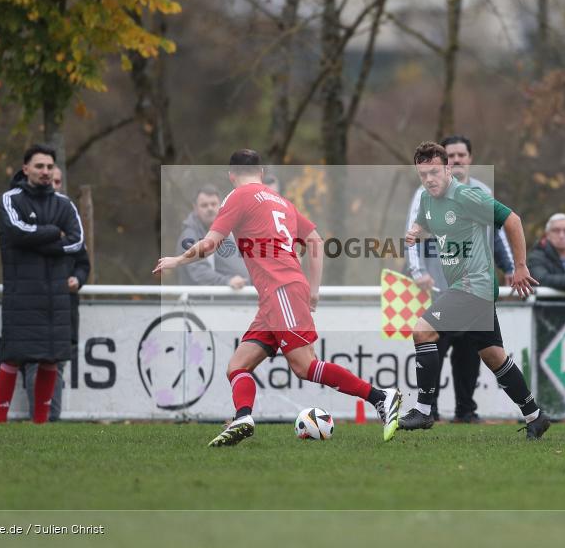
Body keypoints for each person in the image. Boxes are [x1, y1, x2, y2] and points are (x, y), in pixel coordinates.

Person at [154, 149, 402, 446]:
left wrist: (176, 260)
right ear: (261, 172)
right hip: (279, 294)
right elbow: (315, 241)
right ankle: (243, 417)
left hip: (280, 290)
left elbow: (209, 245)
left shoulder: (238, 196)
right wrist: (313, 289)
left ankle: (380, 397)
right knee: (238, 365)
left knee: (304, 366)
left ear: (231, 175)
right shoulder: (282, 202)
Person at [401, 141, 551, 439]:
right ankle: (535, 415)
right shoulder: (428, 199)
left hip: (474, 285)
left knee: (422, 331)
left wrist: (519, 266)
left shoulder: (468, 195)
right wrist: (415, 232)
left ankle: (423, 410)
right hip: (466, 287)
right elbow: (423, 220)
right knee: (494, 355)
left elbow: (512, 220)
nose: (429, 179)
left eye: (434, 172)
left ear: (447, 169)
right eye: (422, 174)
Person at [404, 134, 514, 423]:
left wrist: (512, 268)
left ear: (469, 159)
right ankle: (431, 410)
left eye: (460, 155)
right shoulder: (426, 192)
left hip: (474, 287)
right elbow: (412, 234)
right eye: (450, 155)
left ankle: (466, 410)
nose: (455, 159)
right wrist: (419, 273)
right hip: (439, 288)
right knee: (434, 344)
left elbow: (497, 235)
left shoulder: (479, 190)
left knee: (475, 354)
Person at [0, 145, 84, 423]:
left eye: (49, 167)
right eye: (39, 166)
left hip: (54, 296)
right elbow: (15, 232)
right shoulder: (10, 199)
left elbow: (77, 242)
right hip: (21, 293)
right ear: (26, 169)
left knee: (50, 359)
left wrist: (39, 244)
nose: (45, 172)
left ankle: (41, 423)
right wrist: (52, 234)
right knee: (13, 357)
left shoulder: (65, 204)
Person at [23, 166, 90, 421]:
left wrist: (78, 279)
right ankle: (37, 418)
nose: (54, 183)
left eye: (58, 180)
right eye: (51, 178)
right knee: (32, 361)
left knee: (57, 362)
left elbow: (83, 262)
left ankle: (53, 420)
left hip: (64, 303)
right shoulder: (27, 217)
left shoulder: (70, 219)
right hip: (36, 300)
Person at [177, 185, 250, 289]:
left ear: (220, 205)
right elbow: (199, 272)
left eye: (213, 204)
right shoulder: (189, 236)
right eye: (204, 205)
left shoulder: (225, 231)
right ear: (195, 208)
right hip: (201, 302)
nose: (210, 208)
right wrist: (227, 281)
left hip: (236, 299)